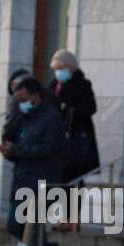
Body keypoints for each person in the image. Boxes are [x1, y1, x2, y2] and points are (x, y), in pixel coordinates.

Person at [0, 77, 66, 246]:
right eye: (17, 100)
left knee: (33, 226)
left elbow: (47, 149)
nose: (20, 104)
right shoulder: (24, 118)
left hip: (40, 183)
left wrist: (16, 150)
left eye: (22, 99)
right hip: (21, 181)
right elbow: (15, 142)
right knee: (15, 225)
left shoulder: (52, 119)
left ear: (35, 97)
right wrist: (9, 152)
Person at [47, 49, 99, 229]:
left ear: (70, 67)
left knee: (75, 180)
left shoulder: (82, 85)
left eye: (61, 68)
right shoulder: (54, 84)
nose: (58, 72)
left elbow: (90, 108)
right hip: (59, 141)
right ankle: (62, 216)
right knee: (60, 179)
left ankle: (71, 219)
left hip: (77, 142)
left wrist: (68, 108)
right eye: (56, 68)